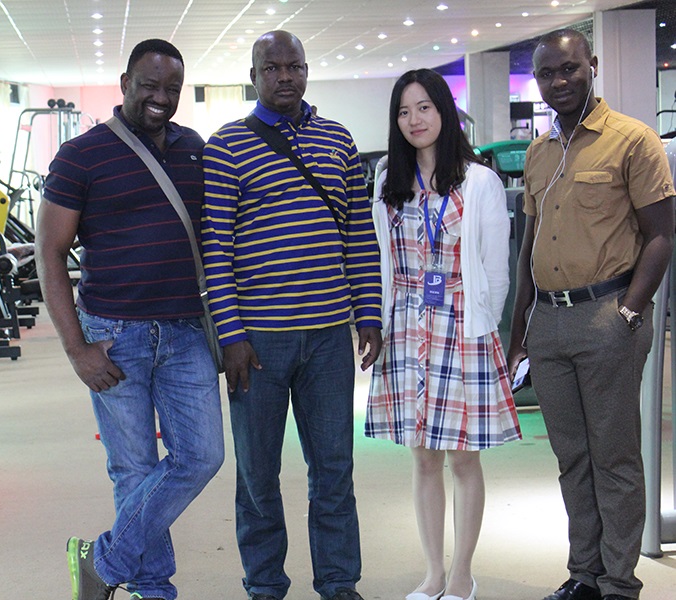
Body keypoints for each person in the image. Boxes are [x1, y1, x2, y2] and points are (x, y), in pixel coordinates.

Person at [36, 39, 225, 600]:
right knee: (133, 467)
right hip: (114, 336)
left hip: (186, 332)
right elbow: (49, 253)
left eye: (172, 88)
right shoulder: (81, 156)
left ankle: (103, 561)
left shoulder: (194, 150)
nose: (160, 97)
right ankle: (154, 587)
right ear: (125, 84)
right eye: (149, 85)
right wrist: (76, 349)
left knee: (202, 456)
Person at [201, 29, 382, 600]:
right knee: (258, 475)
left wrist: (369, 313)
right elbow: (216, 249)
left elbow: (359, 235)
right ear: (253, 76)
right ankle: (264, 585)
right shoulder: (227, 146)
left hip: (328, 338)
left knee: (334, 469)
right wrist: (230, 334)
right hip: (258, 342)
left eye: (295, 66)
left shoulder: (338, 140)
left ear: (306, 70)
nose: (285, 76)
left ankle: (339, 583)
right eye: (272, 68)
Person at [507, 29, 674, 600]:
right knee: (572, 457)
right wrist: (520, 329)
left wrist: (629, 312)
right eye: (546, 74)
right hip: (548, 323)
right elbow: (529, 246)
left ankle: (619, 583)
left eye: (569, 69)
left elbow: (661, 235)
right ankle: (584, 574)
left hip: (608, 315)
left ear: (592, 65)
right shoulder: (538, 152)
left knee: (614, 455)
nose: (558, 81)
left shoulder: (633, 140)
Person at [367, 68, 521, 600]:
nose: (414, 120)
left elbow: (496, 272)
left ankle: (462, 574)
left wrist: (480, 326)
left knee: (463, 457)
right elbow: (382, 261)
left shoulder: (478, 181)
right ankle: (433, 572)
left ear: (444, 111)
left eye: (424, 108)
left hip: (462, 327)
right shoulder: (388, 178)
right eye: (403, 111)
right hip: (407, 326)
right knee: (423, 456)